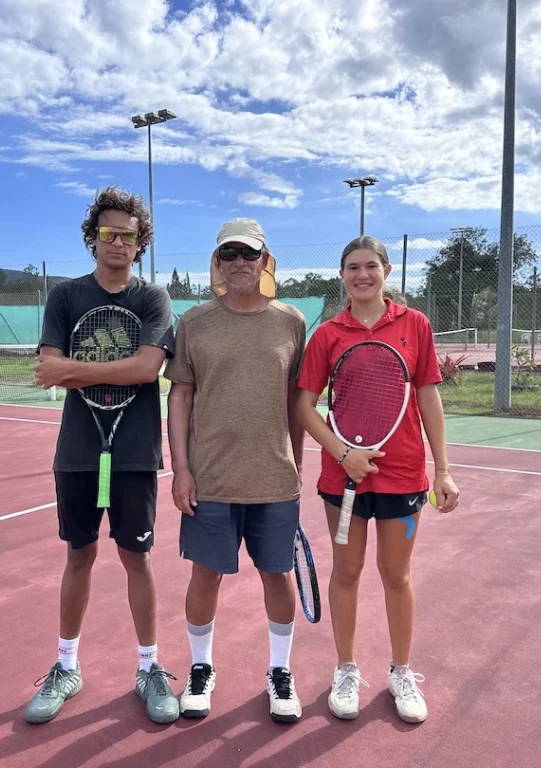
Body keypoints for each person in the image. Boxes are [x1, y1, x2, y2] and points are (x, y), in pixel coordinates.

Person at [25, 186, 180, 726]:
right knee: (79, 557)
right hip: (77, 453)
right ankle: (66, 667)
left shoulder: (153, 300)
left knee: (136, 559)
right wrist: (77, 369)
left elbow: (146, 370)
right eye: (109, 233)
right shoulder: (66, 296)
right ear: (93, 239)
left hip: (135, 452)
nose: (118, 242)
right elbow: (47, 370)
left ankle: (149, 668)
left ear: (140, 244)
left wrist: (75, 369)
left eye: (129, 235)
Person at [295, 235, 460, 724]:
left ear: (386, 271)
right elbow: (304, 408)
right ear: (341, 275)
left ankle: (401, 672)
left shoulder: (415, 326)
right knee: (346, 573)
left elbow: (429, 398)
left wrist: (443, 469)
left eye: (370, 266)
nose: (361, 275)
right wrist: (344, 453)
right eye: (352, 267)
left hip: (405, 476)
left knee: (397, 575)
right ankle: (346, 669)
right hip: (341, 478)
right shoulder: (327, 334)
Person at [164, 217, 307, 724]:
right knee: (205, 577)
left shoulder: (290, 321)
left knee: (278, 575)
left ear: (266, 260)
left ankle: (279, 673)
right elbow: (180, 395)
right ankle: (201, 669)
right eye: (229, 255)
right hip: (210, 480)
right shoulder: (194, 323)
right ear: (217, 263)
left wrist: (297, 464)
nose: (239, 263)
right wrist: (181, 469)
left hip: (273, 480)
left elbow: (296, 401)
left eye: (249, 254)